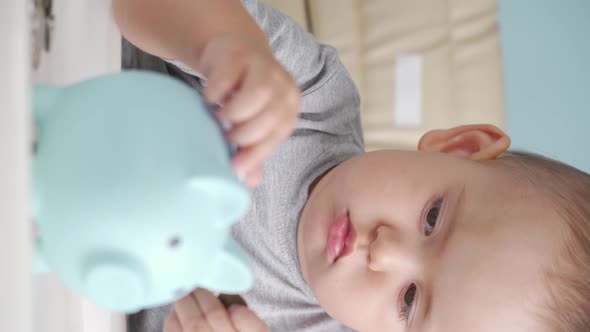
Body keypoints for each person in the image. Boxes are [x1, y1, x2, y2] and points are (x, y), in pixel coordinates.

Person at [113, 1, 590, 331]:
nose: (383, 252)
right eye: (432, 218)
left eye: (409, 301)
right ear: (459, 146)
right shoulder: (307, 96)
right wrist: (226, 47)